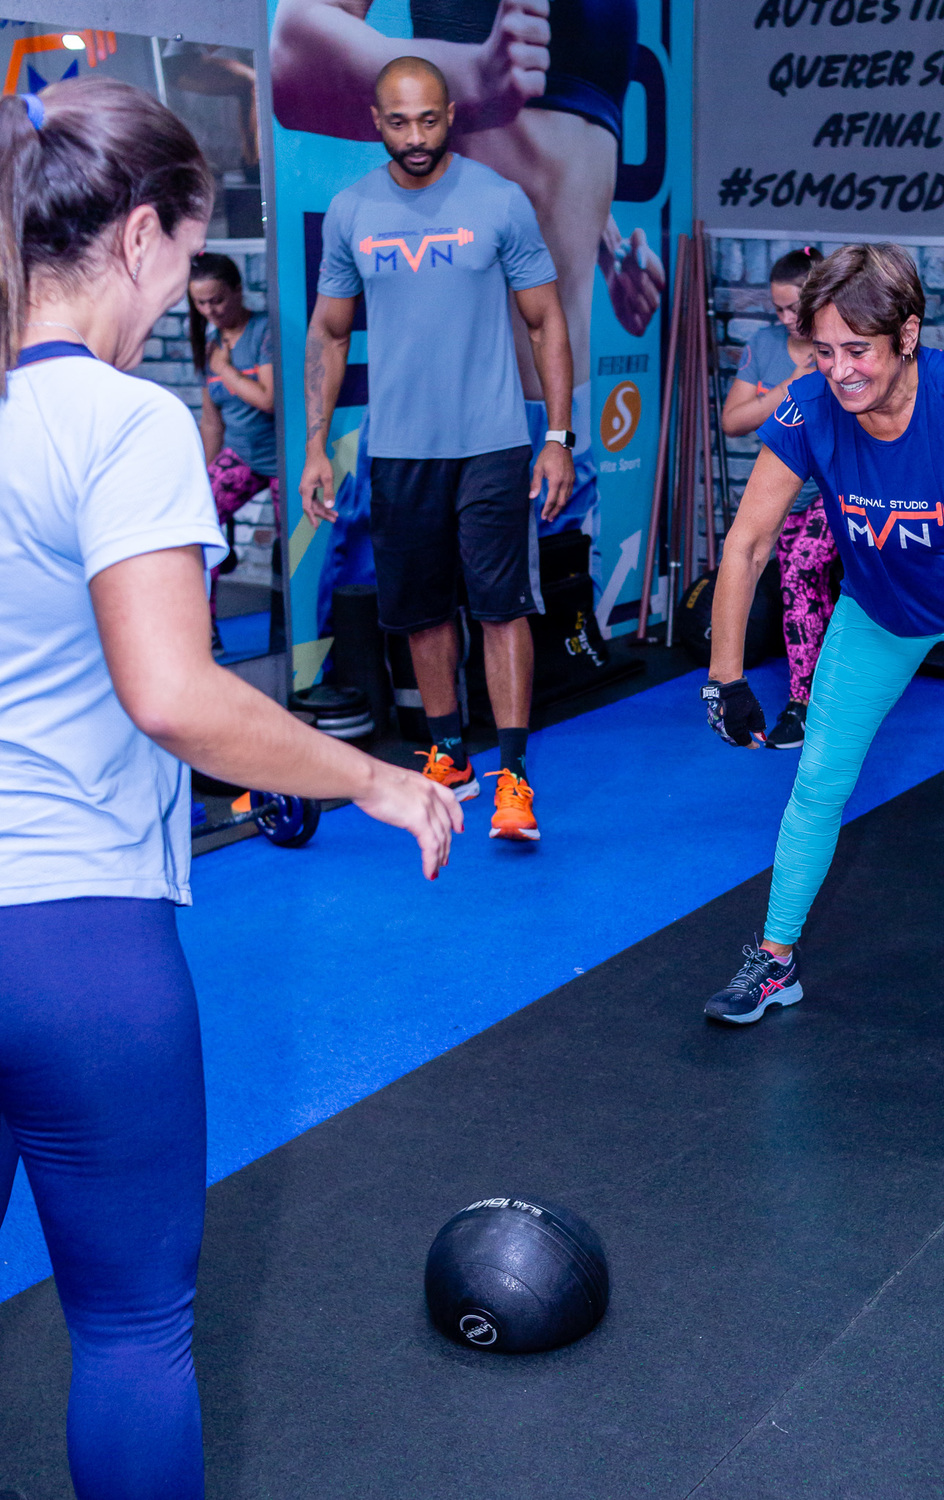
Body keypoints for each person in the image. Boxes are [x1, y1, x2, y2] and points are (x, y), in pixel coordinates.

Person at [0, 77, 460, 1499]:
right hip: (72, 938)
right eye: (187, 253)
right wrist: (374, 778)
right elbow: (176, 696)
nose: (175, 298)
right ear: (141, 235)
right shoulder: (124, 422)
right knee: (132, 1331)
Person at [701, 244, 944, 1086]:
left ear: (906, 335)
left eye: (858, 350)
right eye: (823, 351)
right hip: (877, 611)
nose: (839, 371)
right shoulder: (810, 406)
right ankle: (775, 961)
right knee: (817, 784)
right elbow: (750, 541)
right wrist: (724, 674)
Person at [301, 57, 574, 842]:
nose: (416, 137)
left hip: (492, 441)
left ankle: (513, 777)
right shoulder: (352, 211)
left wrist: (557, 438)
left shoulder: (499, 200)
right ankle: (450, 753)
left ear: (451, 114)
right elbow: (328, 332)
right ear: (376, 121)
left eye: (428, 120)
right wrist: (316, 444)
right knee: (421, 612)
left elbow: (545, 321)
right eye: (399, 122)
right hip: (399, 450)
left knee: (501, 608)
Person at [270, 0, 666, 538]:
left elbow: (549, 151)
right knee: (415, 596)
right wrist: (473, 76)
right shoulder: (358, 206)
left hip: (558, 433)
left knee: (546, 594)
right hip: (436, 427)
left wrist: (604, 245)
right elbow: (291, 61)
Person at [721, 246, 837, 750]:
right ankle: (828, 697)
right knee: (803, 594)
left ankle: (804, 704)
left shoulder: (839, 345)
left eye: (795, 307)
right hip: (784, 494)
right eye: (779, 309)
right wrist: (791, 385)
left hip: (833, 491)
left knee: (800, 574)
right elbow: (733, 421)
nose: (788, 318)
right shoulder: (765, 345)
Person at [188, 252, 277, 650]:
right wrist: (203, 478)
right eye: (201, 303)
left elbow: (268, 399)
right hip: (242, 455)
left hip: (284, 460)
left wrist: (225, 369)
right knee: (197, 523)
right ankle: (203, 633)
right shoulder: (210, 344)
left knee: (295, 547)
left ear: (238, 290)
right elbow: (212, 422)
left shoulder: (264, 332)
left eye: (218, 300)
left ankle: (299, 638)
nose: (211, 310)